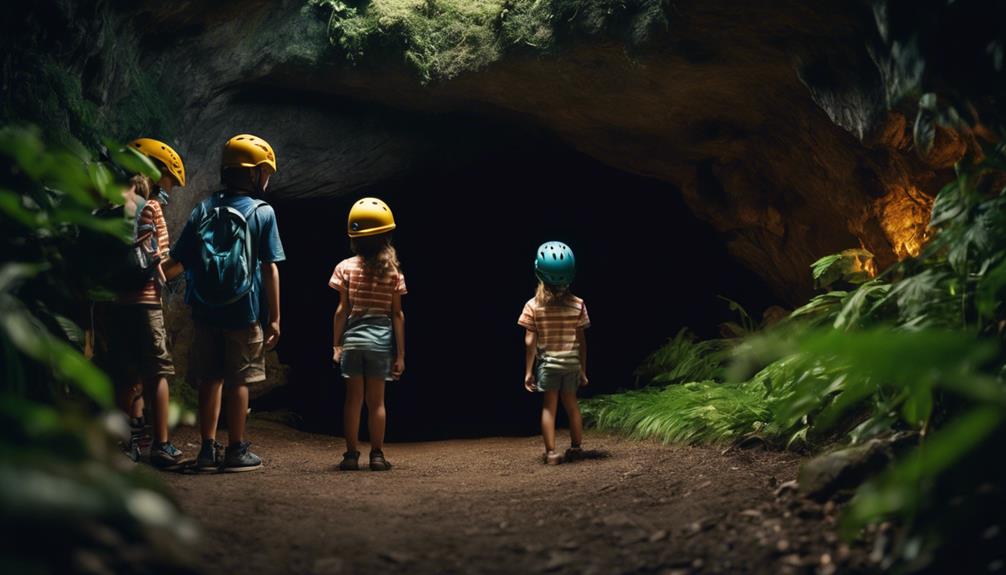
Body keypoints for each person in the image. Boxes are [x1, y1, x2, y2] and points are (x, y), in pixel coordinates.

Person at [166, 134, 284, 472]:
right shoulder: (263, 212)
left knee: (209, 380)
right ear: (252, 173)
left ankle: (206, 449)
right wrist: (275, 318)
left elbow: (180, 260)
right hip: (244, 312)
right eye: (265, 171)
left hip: (205, 311)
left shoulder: (203, 208)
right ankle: (235, 450)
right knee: (239, 382)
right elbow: (269, 266)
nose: (267, 177)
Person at [99, 138, 186, 468]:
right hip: (146, 303)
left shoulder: (113, 202)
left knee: (123, 374)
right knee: (157, 373)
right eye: (168, 181)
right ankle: (161, 445)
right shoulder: (152, 208)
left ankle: (124, 446)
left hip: (116, 302)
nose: (170, 189)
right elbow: (160, 262)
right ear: (156, 172)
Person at [330, 197, 406, 471]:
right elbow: (397, 314)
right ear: (387, 236)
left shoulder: (345, 267)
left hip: (353, 341)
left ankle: (351, 455)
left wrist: (336, 344)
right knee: (377, 402)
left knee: (353, 401)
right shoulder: (393, 272)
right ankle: (376, 455)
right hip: (380, 342)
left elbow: (341, 311)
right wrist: (401, 354)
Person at [518, 241, 590, 465]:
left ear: (539, 271)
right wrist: (583, 370)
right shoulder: (578, 305)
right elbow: (581, 342)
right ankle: (576, 447)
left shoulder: (532, 306)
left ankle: (551, 453)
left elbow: (530, 341)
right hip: (570, 364)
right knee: (571, 404)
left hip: (548, 364)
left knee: (549, 407)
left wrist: (528, 371)